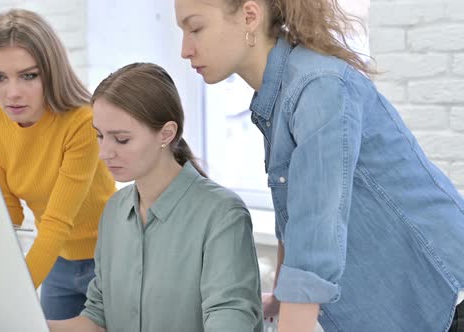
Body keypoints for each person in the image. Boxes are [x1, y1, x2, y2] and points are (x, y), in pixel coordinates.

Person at [174, 0, 464, 331]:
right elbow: (295, 219)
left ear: (249, 16)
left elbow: (315, 234)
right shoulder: (277, 97)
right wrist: (281, 300)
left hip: (443, 293)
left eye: (195, 28)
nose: (185, 49)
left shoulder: (318, 86)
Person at [47, 62, 263, 332]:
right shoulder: (114, 211)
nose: (104, 153)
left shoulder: (222, 215)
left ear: (166, 133)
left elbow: (230, 319)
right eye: (100, 136)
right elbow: (98, 315)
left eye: (121, 139)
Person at [0, 9, 116, 320]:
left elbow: (58, 222)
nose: (12, 93)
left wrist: (10, 298)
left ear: (51, 71)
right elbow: (8, 213)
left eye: (28, 75)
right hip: (56, 260)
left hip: (111, 259)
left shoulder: (83, 122)